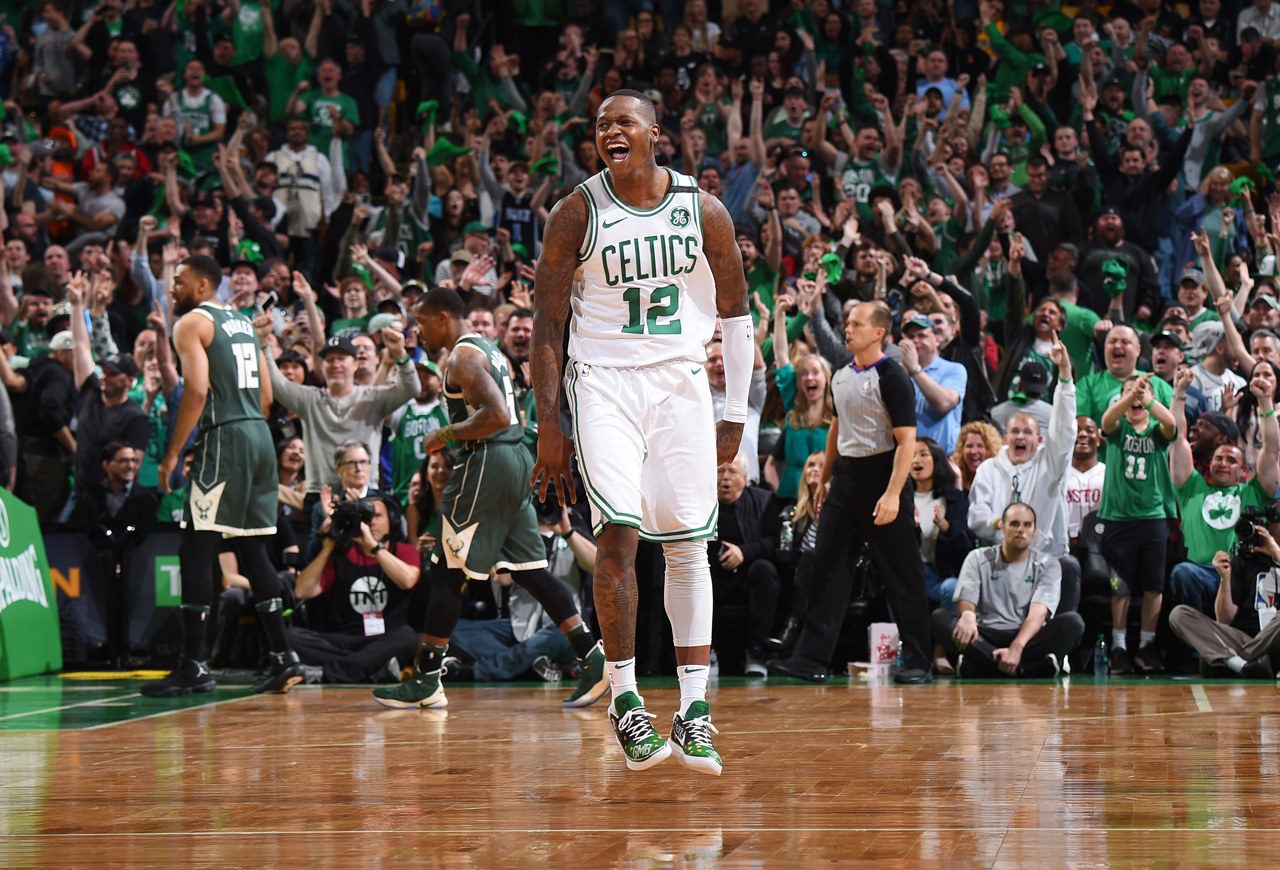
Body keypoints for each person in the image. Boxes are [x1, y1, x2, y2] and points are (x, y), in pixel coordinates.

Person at [530, 90, 753, 775]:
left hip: (681, 381)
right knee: (618, 534)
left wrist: (735, 414)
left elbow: (737, 315)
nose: (609, 133)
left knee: (690, 545)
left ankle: (693, 711)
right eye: (601, 125)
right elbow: (547, 324)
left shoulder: (702, 210)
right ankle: (625, 699)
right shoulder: (575, 212)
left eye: (623, 122)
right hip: (602, 382)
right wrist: (548, 423)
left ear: (656, 133)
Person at [372, 288, 607, 712]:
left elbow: (496, 415)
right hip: (513, 459)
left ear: (443, 318)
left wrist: (443, 434)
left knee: (447, 569)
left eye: (421, 322)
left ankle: (426, 678)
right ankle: (593, 656)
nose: (417, 332)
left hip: (488, 460)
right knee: (529, 570)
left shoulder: (462, 357)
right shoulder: (489, 350)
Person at [143, 255, 305, 698]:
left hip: (227, 436)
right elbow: (267, 397)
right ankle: (283, 655)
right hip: (260, 437)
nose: (172, 289)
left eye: (179, 281)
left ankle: (193, 663)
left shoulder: (191, 323)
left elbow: (196, 391)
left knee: (196, 545)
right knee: (252, 547)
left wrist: (172, 455)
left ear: (201, 286)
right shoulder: (244, 325)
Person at [769, 303, 932, 684]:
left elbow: (907, 441)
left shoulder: (893, 376)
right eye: (849, 322)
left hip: (884, 475)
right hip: (846, 477)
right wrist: (825, 478)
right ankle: (811, 658)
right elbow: (836, 429)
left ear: (879, 332)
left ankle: (919, 661)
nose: (848, 328)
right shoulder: (841, 375)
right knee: (826, 566)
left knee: (902, 573)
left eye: (857, 323)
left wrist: (893, 494)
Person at [1168, 366, 1280, 619]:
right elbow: (1178, 440)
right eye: (1219, 458)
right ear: (1210, 463)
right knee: (1182, 573)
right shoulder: (1191, 487)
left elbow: (1272, 449)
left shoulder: (1253, 491)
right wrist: (1179, 393)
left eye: (1231, 460)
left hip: (1242, 575)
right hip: (1201, 572)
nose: (1223, 463)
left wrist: (1265, 402)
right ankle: (1194, 640)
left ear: (1243, 470)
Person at [931, 503, 1085, 677]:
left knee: (1073, 623)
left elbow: (1038, 614)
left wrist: (1016, 647)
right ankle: (1027, 669)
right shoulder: (977, 557)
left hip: (1027, 637)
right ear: (1002, 527)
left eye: (1027, 525)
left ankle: (984, 667)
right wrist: (967, 616)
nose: (1020, 530)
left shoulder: (1048, 564)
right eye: (1014, 524)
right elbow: (966, 601)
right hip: (986, 634)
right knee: (939, 619)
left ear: (1034, 531)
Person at [1098, 372, 1179, 674]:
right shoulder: (1117, 429)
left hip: (1153, 516)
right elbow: (1106, 420)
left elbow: (1171, 424)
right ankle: (1118, 646)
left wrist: (1148, 399)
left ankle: (1147, 645)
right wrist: (1131, 396)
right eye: (1130, 391)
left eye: (1143, 391)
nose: (1137, 396)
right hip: (1118, 518)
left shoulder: (1158, 431)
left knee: (1153, 585)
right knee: (1120, 586)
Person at [292, 494, 421, 683]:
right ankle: (373, 668)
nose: (372, 522)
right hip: (343, 640)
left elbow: (407, 581)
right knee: (290, 636)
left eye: (378, 516)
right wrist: (327, 547)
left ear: (391, 521)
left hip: (384, 639)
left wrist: (374, 547)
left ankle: (326, 673)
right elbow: (302, 591)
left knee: (408, 637)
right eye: (366, 518)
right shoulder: (342, 553)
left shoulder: (403, 550)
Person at [709, 456, 780, 676]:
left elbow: (773, 540)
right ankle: (706, 651)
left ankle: (756, 652)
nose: (725, 478)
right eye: (720, 471)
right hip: (714, 571)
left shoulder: (763, 500)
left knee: (764, 570)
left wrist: (743, 553)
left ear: (745, 478)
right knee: (698, 576)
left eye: (732, 472)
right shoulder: (702, 503)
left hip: (748, 572)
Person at [899, 313, 966, 454]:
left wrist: (914, 369)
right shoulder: (899, 373)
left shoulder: (954, 369)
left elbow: (944, 403)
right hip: (907, 457)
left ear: (936, 339)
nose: (915, 340)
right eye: (910, 337)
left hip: (943, 458)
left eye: (922, 335)